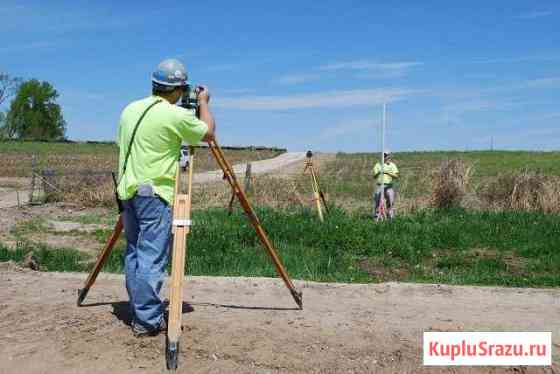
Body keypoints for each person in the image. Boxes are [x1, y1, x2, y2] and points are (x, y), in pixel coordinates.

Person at [116, 58, 215, 337]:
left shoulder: (130, 110)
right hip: (154, 194)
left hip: (128, 192)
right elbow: (208, 133)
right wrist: (204, 103)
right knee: (151, 257)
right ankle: (147, 321)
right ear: (178, 90)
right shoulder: (174, 115)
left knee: (134, 253)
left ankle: (139, 308)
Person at [373, 150, 399, 219]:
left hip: (389, 186)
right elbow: (374, 176)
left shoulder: (392, 165)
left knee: (390, 201)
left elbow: (396, 176)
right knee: (377, 201)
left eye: (386, 155)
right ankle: (377, 217)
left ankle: (390, 216)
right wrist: (379, 172)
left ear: (388, 156)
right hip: (379, 186)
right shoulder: (378, 165)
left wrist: (387, 172)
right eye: (383, 155)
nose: (385, 157)